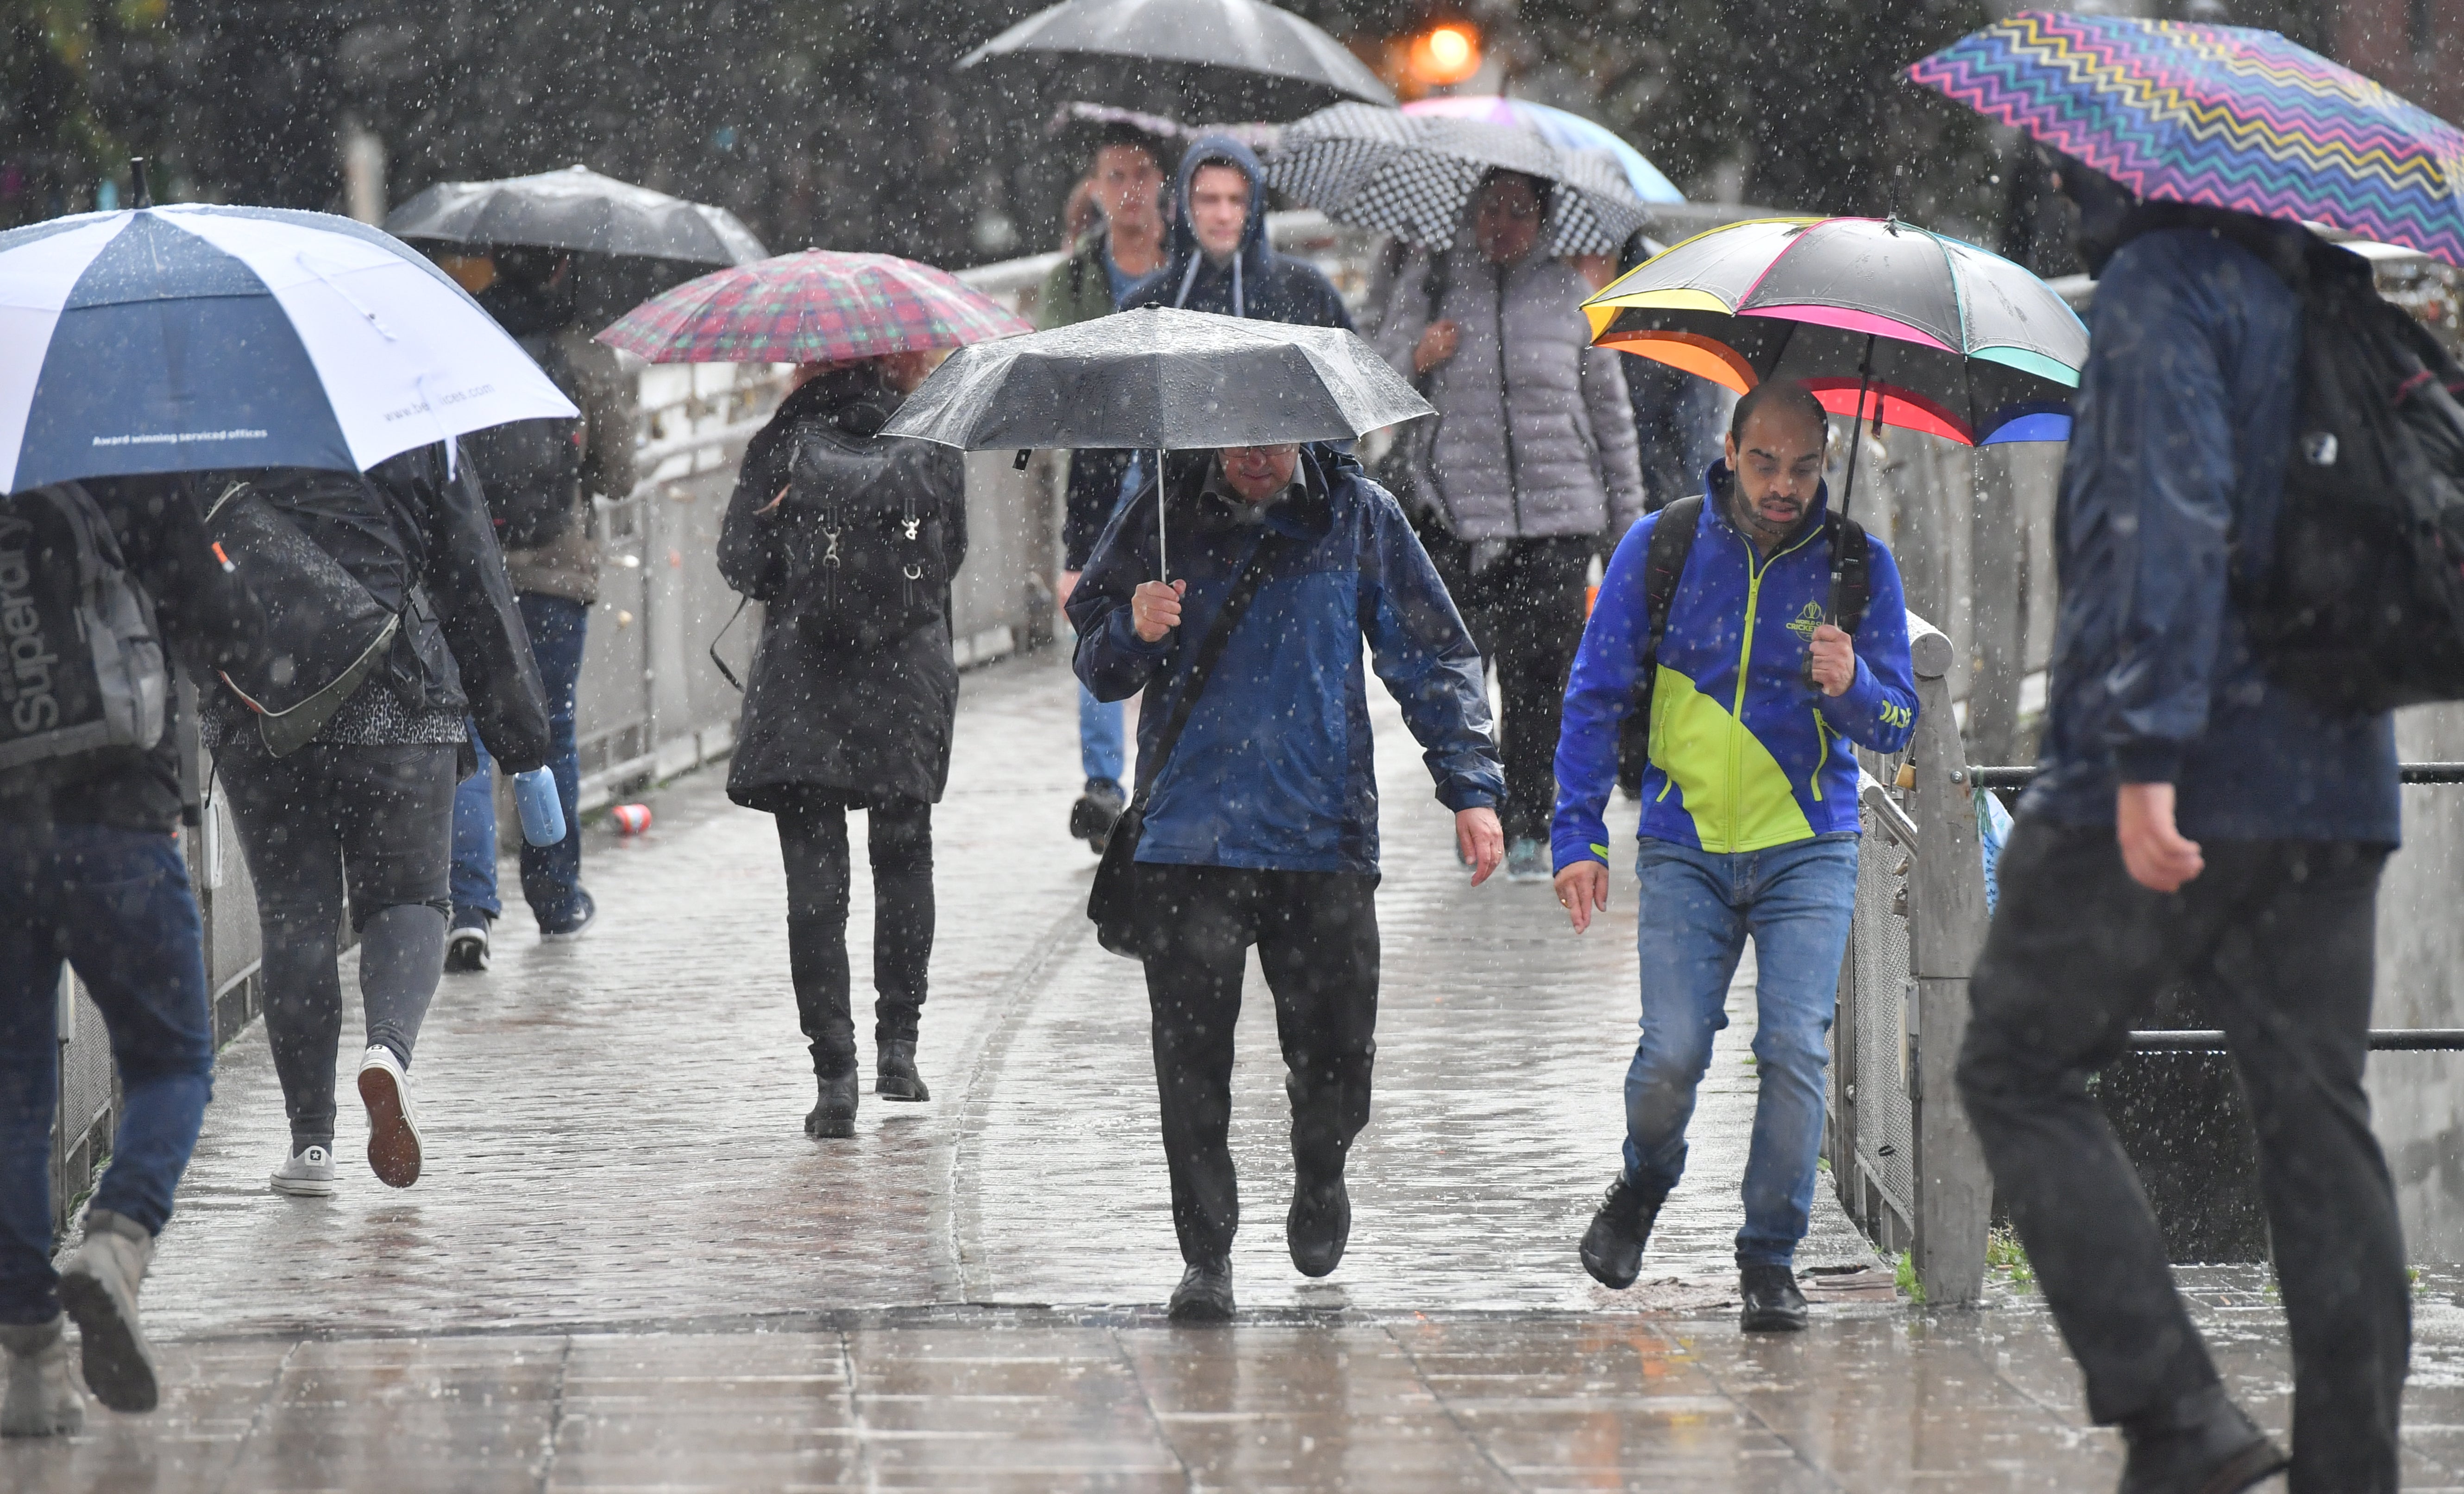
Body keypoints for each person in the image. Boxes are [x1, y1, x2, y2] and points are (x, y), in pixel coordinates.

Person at [1955, 159, 2407, 1494]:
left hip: (2169, 772)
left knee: (2017, 1062)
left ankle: (2177, 1414)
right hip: (2336, 773)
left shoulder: (2160, 287)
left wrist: (2147, 756)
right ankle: (2351, 1469)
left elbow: (2168, 519)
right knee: (2320, 1122)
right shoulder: (2322, 283)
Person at [1069, 440, 1505, 1322]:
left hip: (1322, 836)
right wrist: (1131, 627)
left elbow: (1430, 653)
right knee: (1190, 1066)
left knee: (1339, 1054)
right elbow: (1098, 658)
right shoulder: (1161, 514)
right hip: (1192, 840)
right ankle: (1206, 1255)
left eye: (1275, 438)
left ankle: (1322, 1166)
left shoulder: (1358, 514)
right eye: (1238, 439)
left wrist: (1472, 786)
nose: (1257, 456)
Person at [1551, 378, 1917, 1332]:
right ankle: (1643, 1182)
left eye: (1801, 466)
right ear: (1728, 447)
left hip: (1808, 845)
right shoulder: (1663, 545)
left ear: (1826, 462)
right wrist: (1575, 833)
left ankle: (1768, 1256)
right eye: (1763, 461)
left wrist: (1851, 684)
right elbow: (1593, 692)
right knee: (1670, 1055)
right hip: (1684, 844)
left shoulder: (1857, 566)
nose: (1781, 484)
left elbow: (1899, 718)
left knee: (1793, 1048)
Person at [209, 444, 550, 1199]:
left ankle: (311, 1147)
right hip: (400, 688)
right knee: (411, 898)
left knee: (295, 915)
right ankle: (387, 1053)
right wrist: (522, 740)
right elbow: (474, 580)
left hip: (264, 706)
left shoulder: (215, 408)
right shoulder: (404, 411)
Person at [0, 476, 262, 1436]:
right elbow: (231, 629)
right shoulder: (121, 458)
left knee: (16, 1094)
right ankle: (116, 1240)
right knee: (172, 1062)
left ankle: (27, 1361)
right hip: (118, 819)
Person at [717, 351, 967, 1138]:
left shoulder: (783, 439)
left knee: (815, 887)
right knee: (904, 854)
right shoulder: (932, 431)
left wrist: (794, 538)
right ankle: (901, 1044)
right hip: (904, 676)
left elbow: (740, 563)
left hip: (805, 681)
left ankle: (836, 1076)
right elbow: (948, 558)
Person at [1374, 170, 1647, 881]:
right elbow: (1376, 386)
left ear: (1544, 221)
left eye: (1520, 212)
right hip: (1455, 521)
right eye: (1491, 209)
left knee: (1542, 681)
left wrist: (1628, 530)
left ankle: (1534, 817)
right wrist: (1418, 358)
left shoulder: (1572, 299)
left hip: (1559, 523)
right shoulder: (1431, 287)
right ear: (1469, 213)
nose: (1504, 224)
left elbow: (1612, 422)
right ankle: (1479, 808)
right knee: (1464, 678)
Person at [446, 250, 638, 969]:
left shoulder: (461, 341)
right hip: (555, 576)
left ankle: (468, 906)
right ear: (561, 269)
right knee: (547, 730)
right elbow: (618, 474)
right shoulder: (582, 356)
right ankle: (556, 898)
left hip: (469, 573)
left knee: (464, 733)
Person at [1040, 123, 1169, 857]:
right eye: (1114, 175)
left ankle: (1153, 776)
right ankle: (1103, 784)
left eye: (1141, 173)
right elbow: (1057, 381)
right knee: (1097, 615)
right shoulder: (1078, 279)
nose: (1128, 189)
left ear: (1160, 184)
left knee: (1167, 616)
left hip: (1169, 471)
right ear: (1094, 186)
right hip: (1100, 475)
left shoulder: (1187, 270)